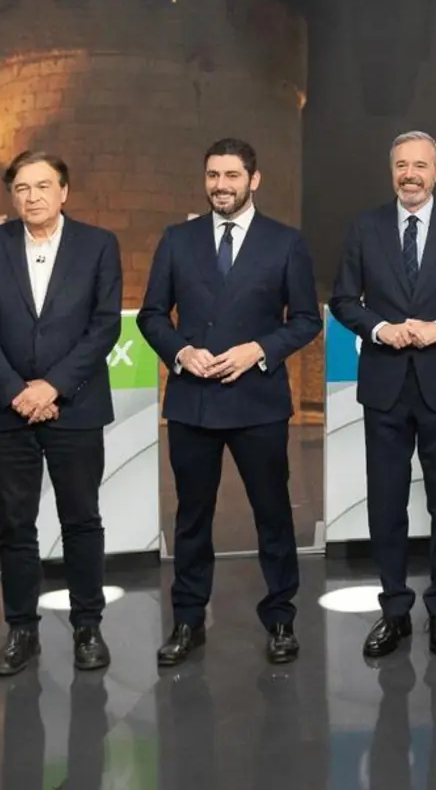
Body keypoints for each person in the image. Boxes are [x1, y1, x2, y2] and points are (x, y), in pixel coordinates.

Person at [137, 138, 322, 667]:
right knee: (192, 517)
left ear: (253, 180)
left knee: (272, 516)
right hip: (192, 402)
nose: (221, 185)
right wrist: (180, 352)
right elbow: (152, 315)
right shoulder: (177, 240)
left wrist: (259, 350)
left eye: (232, 176)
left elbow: (306, 320)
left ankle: (281, 619)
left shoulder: (285, 243)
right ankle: (188, 621)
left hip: (258, 402)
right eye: (213, 175)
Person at [329, 130, 436, 659]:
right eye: (402, 165)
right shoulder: (366, 226)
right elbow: (342, 299)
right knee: (386, 504)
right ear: (392, 171)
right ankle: (395, 610)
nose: (410, 173)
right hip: (384, 385)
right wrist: (380, 329)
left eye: (420, 165)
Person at [0, 151, 122, 676]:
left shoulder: (99, 245)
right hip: (4, 411)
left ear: (64, 191)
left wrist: (52, 386)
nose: (31, 196)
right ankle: (21, 631)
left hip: (74, 407)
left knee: (81, 520)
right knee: (15, 525)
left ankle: (87, 628)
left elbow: (104, 327)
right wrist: (17, 392)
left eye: (42, 186)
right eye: (22, 188)